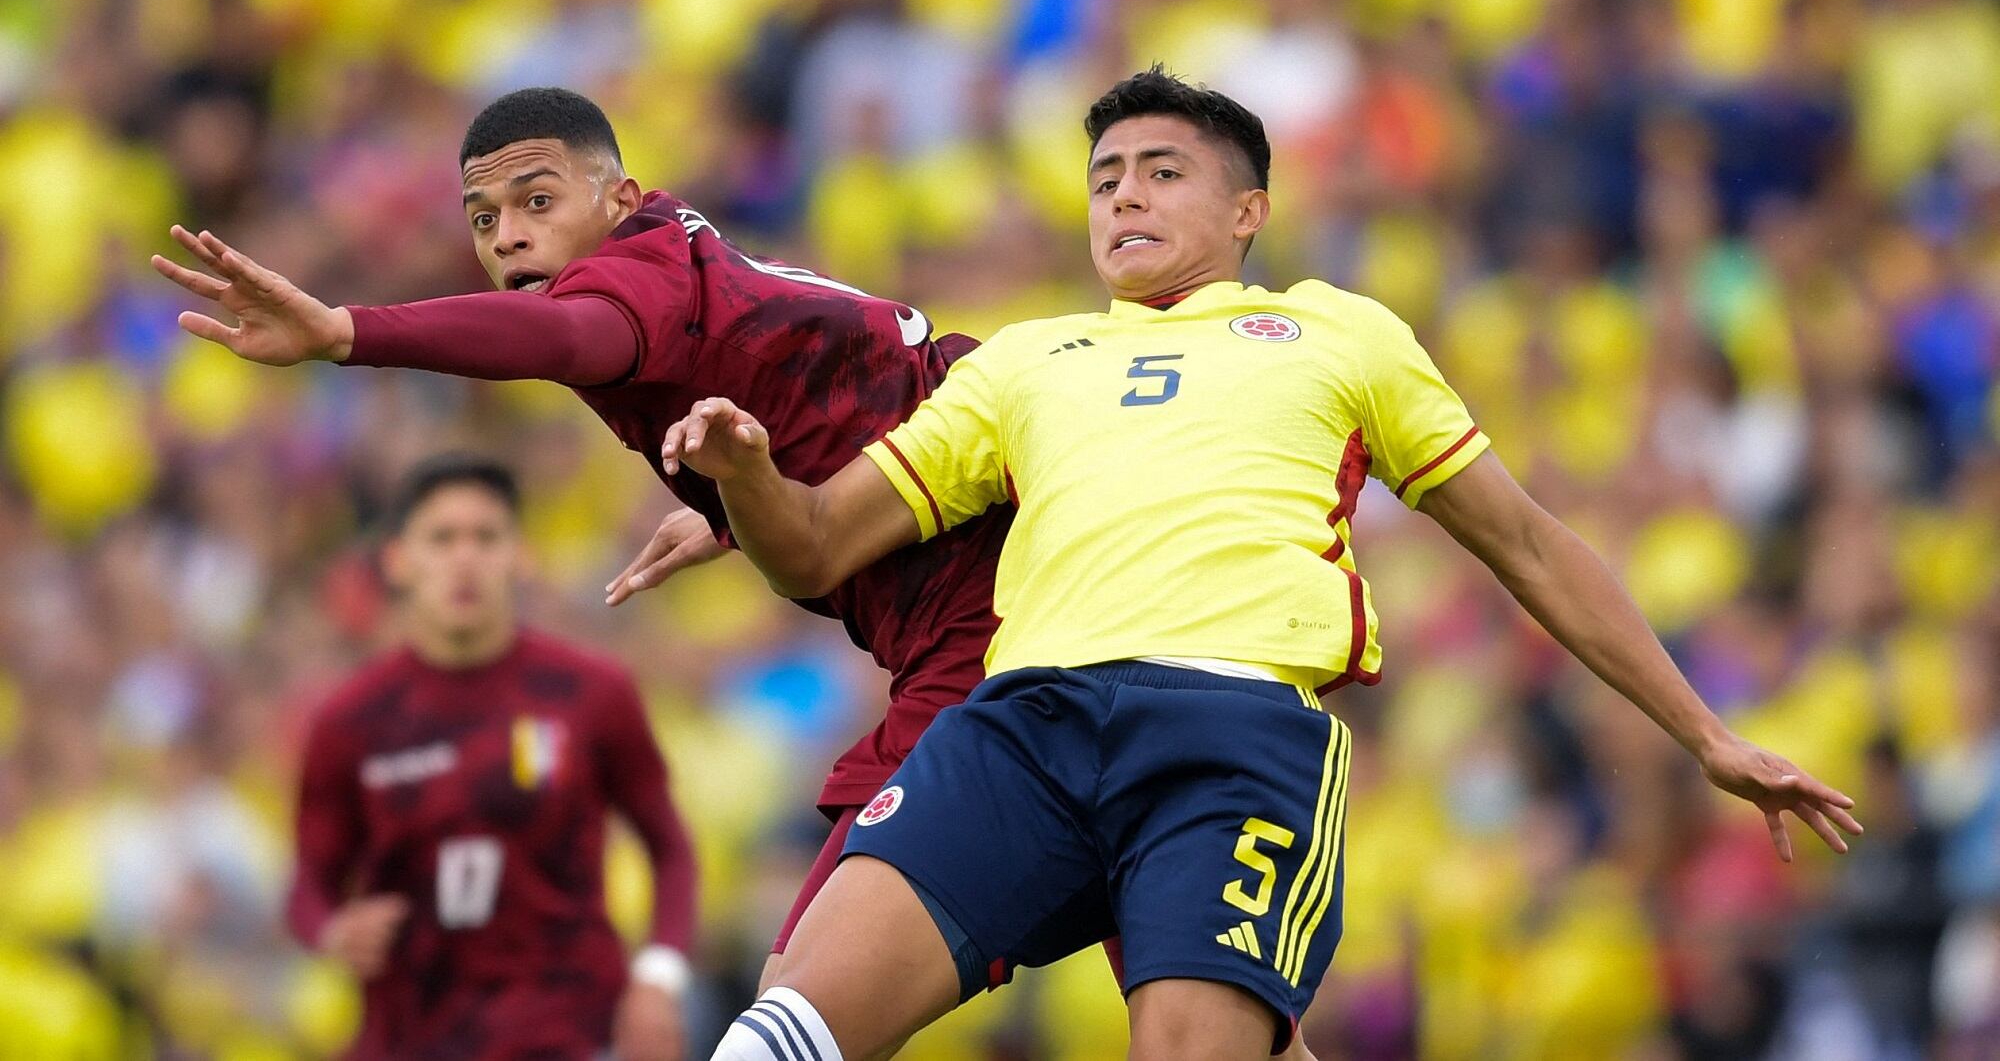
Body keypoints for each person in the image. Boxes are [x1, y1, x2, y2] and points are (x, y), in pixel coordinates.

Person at [659, 67, 1867, 1061]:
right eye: (1103, 178)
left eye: (1160, 170)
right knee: (774, 1036)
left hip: (1226, 737)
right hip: (1018, 728)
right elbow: (812, 546)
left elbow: (1527, 543)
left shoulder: (1337, 331)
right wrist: (746, 475)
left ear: (1247, 212)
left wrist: (1703, 732)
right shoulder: (1025, 359)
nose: (1121, 196)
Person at [153, 87, 1010, 986]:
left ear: (619, 200)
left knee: (800, 1003)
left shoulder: (620, 290)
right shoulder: (666, 264)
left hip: (982, 609)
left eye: (536, 201)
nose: (508, 237)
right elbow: (826, 385)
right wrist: (733, 512)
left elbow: (565, 336)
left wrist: (344, 332)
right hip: (983, 554)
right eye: (483, 219)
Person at [287, 454, 696, 1061]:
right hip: (410, 1039)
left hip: (569, 1034)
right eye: (442, 538)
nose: (465, 558)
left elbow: (670, 850)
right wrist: (332, 931)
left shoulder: (591, 694)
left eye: (485, 537)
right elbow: (309, 886)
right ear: (399, 561)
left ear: (519, 556)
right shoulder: (350, 722)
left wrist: (658, 979)